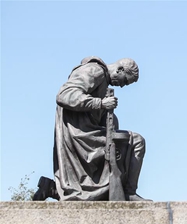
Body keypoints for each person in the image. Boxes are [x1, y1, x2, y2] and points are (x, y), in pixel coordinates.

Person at [33, 56, 150, 201]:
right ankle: (129, 192)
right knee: (137, 142)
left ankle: (51, 188)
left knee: (119, 144)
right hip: (80, 135)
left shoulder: (102, 81)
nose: (122, 86)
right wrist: (100, 103)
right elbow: (64, 95)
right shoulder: (95, 71)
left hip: (85, 132)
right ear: (119, 70)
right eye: (125, 81)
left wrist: (108, 117)